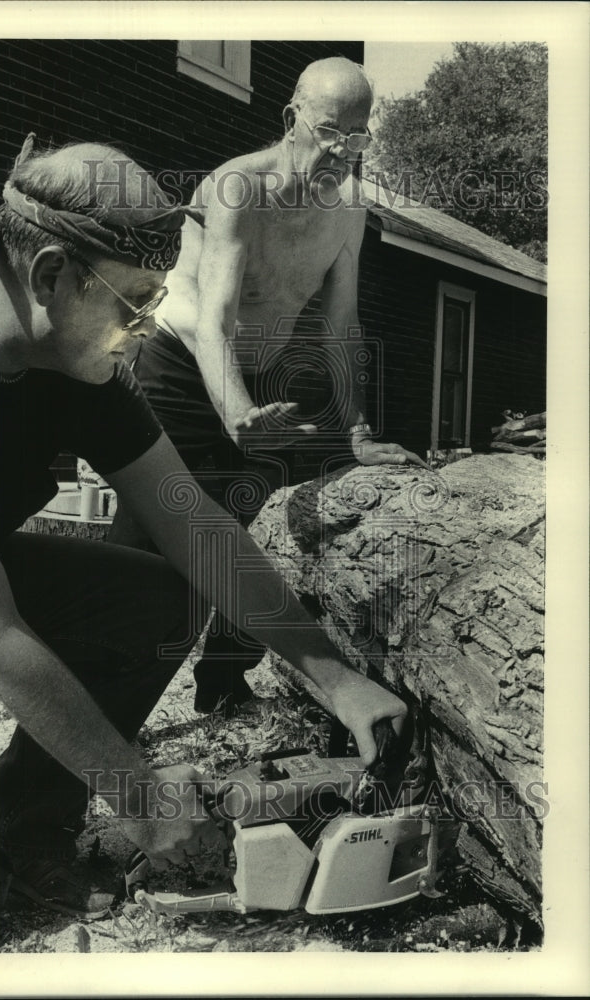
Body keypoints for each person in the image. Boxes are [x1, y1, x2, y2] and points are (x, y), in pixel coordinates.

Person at [0, 133, 407, 951]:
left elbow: (192, 523)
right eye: (134, 303)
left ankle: (13, 831)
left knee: (149, 598)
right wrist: (140, 797)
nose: (147, 325)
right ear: (49, 273)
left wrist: (334, 676)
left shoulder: (75, 355)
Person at [109, 57, 429, 715]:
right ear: (292, 121)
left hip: (256, 377)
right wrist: (235, 412)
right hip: (178, 364)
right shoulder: (237, 188)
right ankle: (102, 704)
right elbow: (215, 316)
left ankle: (224, 686)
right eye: (331, 133)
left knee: (259, 532)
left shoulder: (347, 213)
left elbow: (342, 325)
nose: (343, 153)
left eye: (358, 139)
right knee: (151, 553)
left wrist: (358, 431)